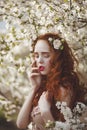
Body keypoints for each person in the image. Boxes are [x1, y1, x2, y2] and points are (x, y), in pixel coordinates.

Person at [16, 33, 86, 130]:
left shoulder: (64, 88)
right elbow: (21, 124)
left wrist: (45, 112)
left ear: (58, 58)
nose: (39, 60)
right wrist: (34, 88)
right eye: (36, 55)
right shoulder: (44, 85)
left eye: (46, 55)